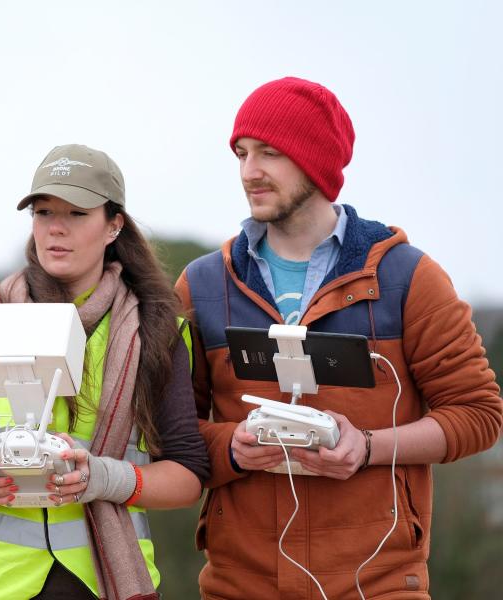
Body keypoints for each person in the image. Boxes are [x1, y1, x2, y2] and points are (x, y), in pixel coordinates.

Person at [175, 76, 503, 600]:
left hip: (378, 583)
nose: (248, 171)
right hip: (239, 584)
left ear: (314, 160)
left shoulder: (408, 278)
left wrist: (368, 447)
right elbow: (174, 434)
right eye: (240, 153)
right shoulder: (202, 285)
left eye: (269, 153)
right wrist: (232, 448)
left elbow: (479, 414)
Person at [0, 143, 210, 600]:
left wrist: (101, 477)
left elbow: (188, 475)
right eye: (43, 212)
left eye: (77, 213)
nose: (56, 227)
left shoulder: (159, 331)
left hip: (107, 585)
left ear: (114, 224)